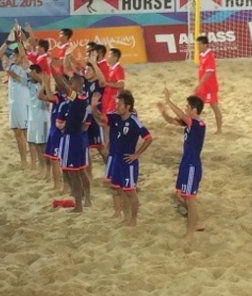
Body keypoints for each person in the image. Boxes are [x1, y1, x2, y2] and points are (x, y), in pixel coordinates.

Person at [91, 90, 152, 226]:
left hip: (128, 162)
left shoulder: (134, 122)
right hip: (117, 160)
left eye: (119, 104)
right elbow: (100, 118)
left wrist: (137, 154)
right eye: (116, 103)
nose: (116, 106)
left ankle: (134, 219)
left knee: (130, 191)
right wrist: (94, 107)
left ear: (128, 106)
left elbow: (148, 139)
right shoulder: (115, 117)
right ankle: (125, 216)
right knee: (118, 188)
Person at [158, 89, 206, 240]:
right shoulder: (189, 124)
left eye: (187, 107)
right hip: (185, 163)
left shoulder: (199, 124)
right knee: (180, 195)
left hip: (192, 165)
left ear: (194, 110)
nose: (185, 109)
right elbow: (171, 120)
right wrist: (163, 112)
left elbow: (181, 116)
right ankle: (197, 220)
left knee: (189, 198)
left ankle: (190, 232)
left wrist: (169, 100)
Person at [56, 75, 91, 212]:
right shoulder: (84, 99)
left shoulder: (75, 99)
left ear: (76, 84)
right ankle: (87, 199)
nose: (69, 85)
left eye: (71, 83)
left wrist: (52, 69)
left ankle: (78, 206)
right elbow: (85, 125)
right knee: (81, 170)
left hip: (71, 138)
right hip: (81, 137)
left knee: (73, 173)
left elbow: (62, 85)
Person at [0, 34, 30, 169]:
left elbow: (22, 53)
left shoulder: (25, 65)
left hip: (23, 102)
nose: (13, 58)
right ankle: (24, 160)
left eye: (15, 56)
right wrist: (8, 41)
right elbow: (0, 53)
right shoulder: (10, 64)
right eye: (13, 56)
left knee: (26, 132)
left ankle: (35, 160)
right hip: (13, 102)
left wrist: (18, 39)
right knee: (17, 133)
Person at [193, 35, 222, 134]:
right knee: (195, 104)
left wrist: (199, 85)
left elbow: (208, 73)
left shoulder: (209, 56)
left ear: (205, 45)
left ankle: (219, 129)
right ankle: (194, 126)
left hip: (210, 87)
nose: (197, 47)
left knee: (214, 107)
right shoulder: (202, 55)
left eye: (199, 44)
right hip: (203, 86)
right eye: (197, 45)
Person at [26, 64, 49, 176]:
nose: (29, 75)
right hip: (32, 117)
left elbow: (46, 87)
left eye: (31, 73)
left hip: (42, 118)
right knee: (35, 144)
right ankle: (41, 166)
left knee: (43, 146)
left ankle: (47, 170)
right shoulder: (29, 83)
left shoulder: (44, 82)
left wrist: (38, 76)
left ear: (36, 72)